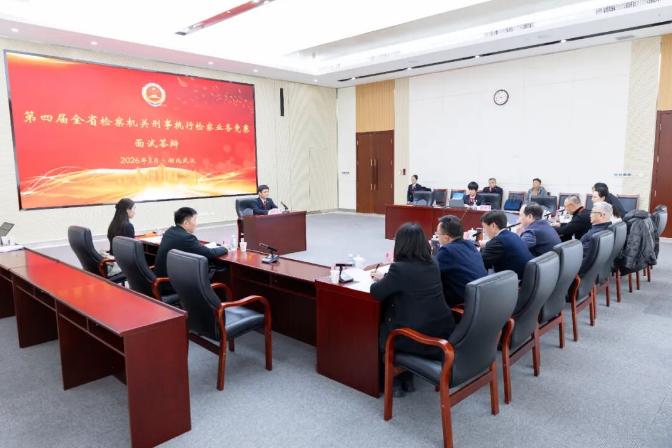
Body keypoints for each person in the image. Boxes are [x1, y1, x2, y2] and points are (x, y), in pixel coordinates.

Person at [370, 223, 455, 396]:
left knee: (384, 327)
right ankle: (407, 379)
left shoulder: (399, 269)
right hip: (440, 331)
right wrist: (389, 277)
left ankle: (394, 381)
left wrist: (382, 279)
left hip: (416, 339)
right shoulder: (433, 262)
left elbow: (376, 292)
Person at [154, 207, 228, 278]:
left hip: (163, 276)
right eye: (194, 220)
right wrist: (225, 248)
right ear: (186, 222)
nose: (196, 224)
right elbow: (209, 253)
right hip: (172, 280)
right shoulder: (186, 238)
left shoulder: (170, 231)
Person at [434, 215, 487, 307]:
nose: (437, 237)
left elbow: (430, 273)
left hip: (462, 306)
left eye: (437, 234)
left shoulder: (447, 251)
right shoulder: (470, 245)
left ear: (446, 238)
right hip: (480, 300)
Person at [480, 210, 533, 280]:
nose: (484, 231)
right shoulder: (513, 235)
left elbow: (480, 263)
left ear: (493, 226)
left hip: (515, 282)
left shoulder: (498, 242)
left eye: (484, 227)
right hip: (525, 277)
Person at [578, 201, 613, 275]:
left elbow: (583, 255)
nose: (590, 215)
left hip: (580, 270)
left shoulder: (596, 235)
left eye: (592, 212)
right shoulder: (607, 230)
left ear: (601, 215)